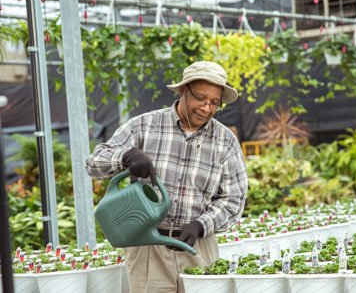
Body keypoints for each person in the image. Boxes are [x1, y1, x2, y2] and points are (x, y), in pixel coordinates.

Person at [85, 61, 248, 293]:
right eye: (200, 98)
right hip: (148, 248)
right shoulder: (144, 126)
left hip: (198, 247)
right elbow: (93, 163)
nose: (206, 108)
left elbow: (234, 198)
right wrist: (126, 157)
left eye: (214, 103)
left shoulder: (225, 141)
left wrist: (201, 225)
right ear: (183, 90)